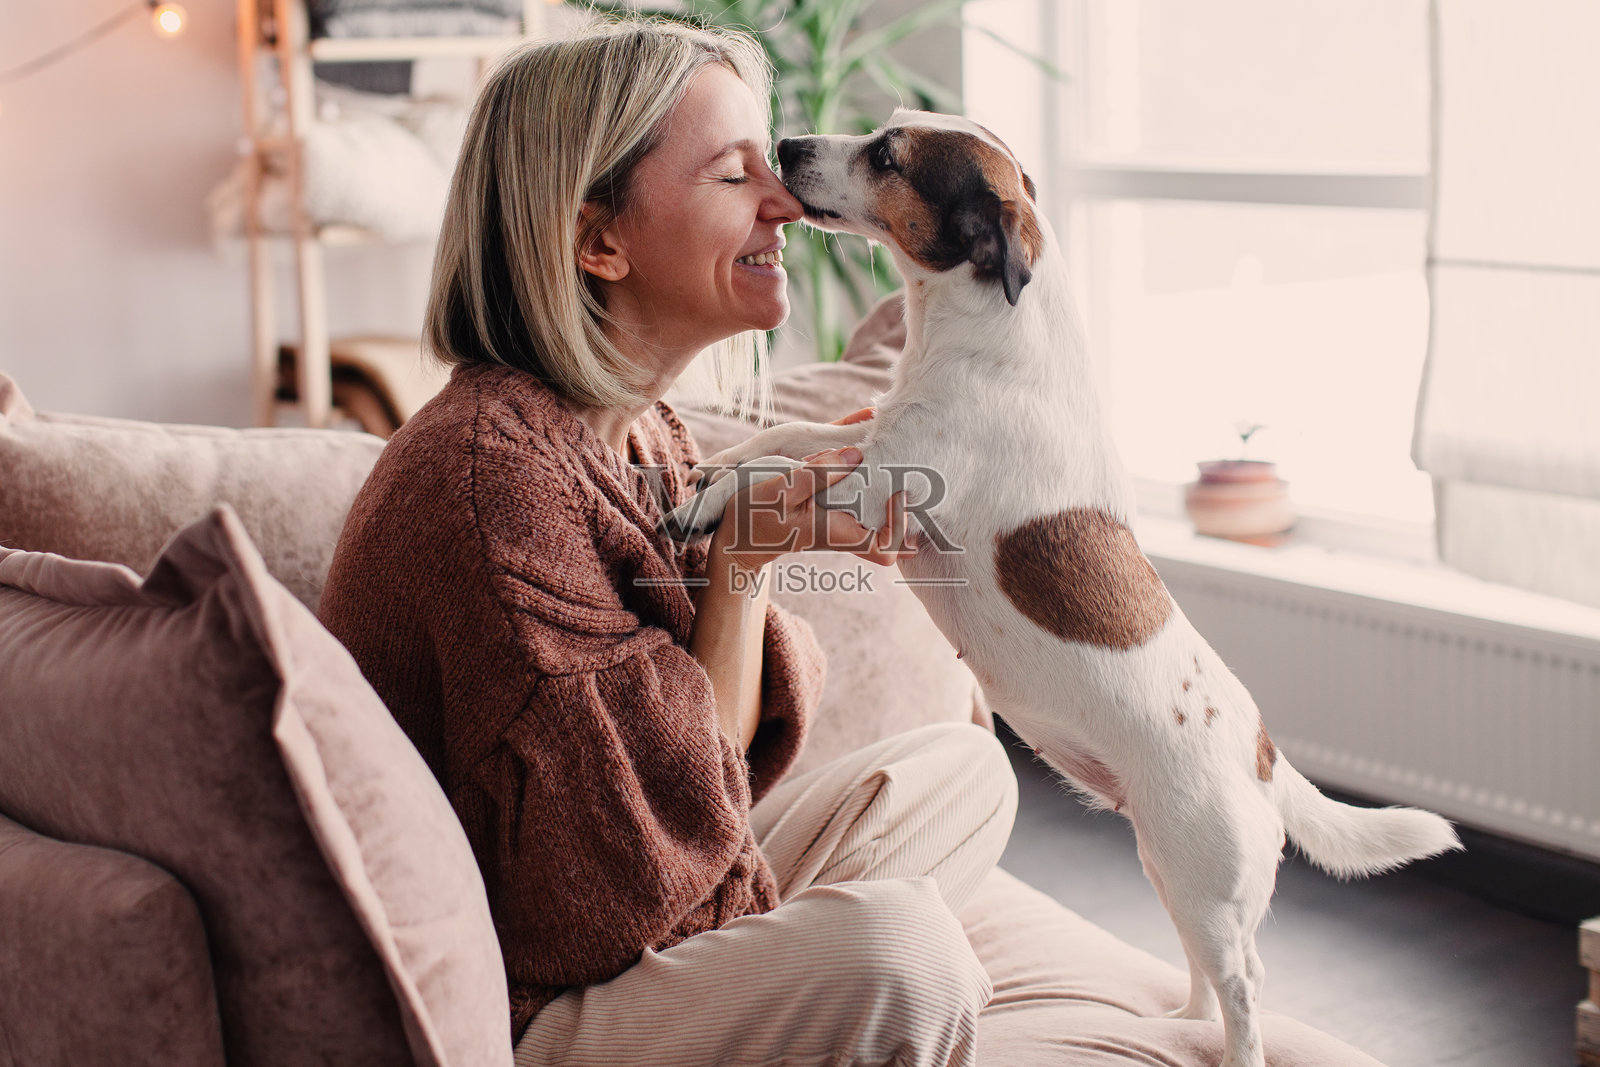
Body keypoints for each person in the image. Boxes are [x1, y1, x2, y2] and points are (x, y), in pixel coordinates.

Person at [318, 16, 1018, 1066]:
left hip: (653, 895)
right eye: (736, 177)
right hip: (530, 1002)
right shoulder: (490, 487)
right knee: (905, 954)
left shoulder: (633, 428)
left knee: (966, 771)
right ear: (599, 242)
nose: (785, 203)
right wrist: (741, 557)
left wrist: (754, 537)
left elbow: (700, 766)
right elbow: (617, 893)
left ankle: (795, 989)